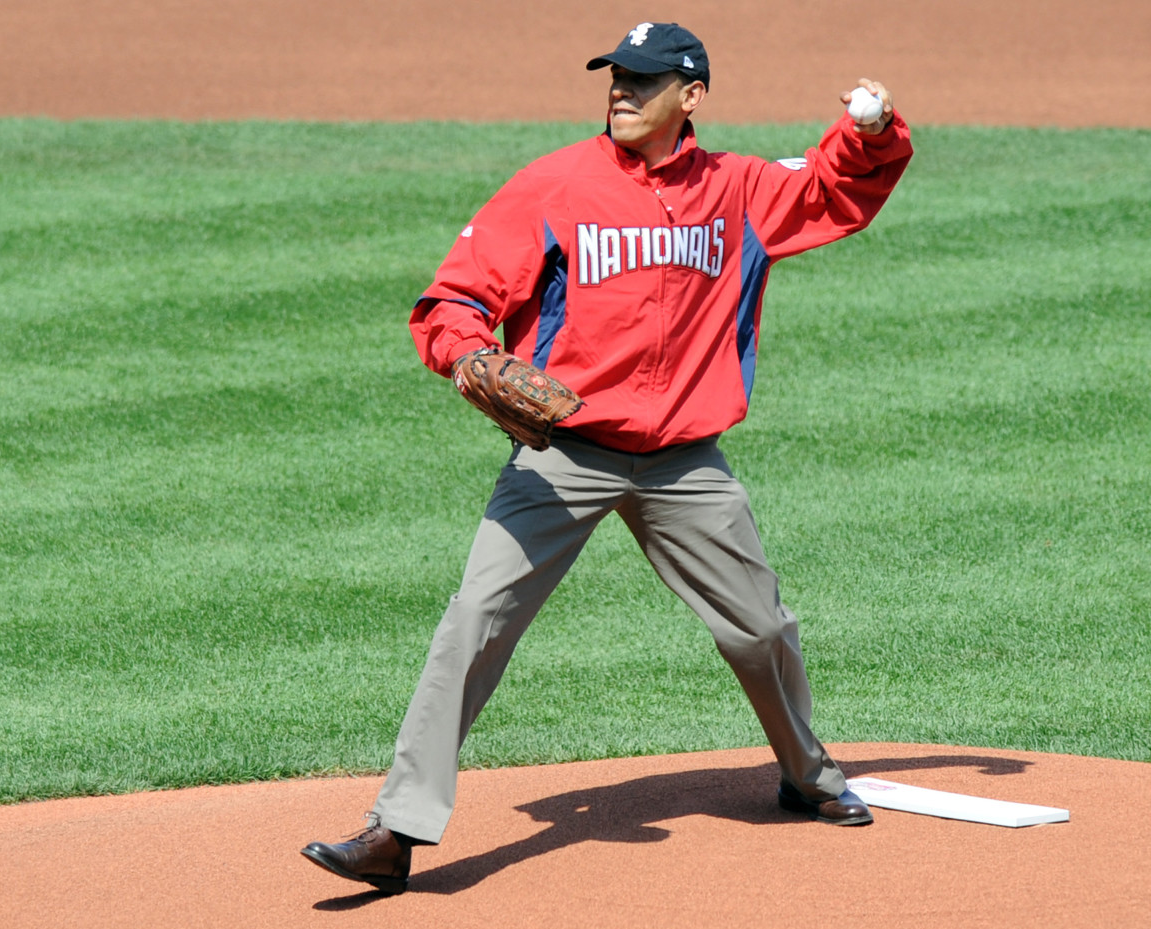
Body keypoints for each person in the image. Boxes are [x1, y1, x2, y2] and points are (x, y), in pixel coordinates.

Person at [302, 21, 912, 894]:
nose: (622, 91)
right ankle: (396, 829)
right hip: (566, 453)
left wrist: (872, 133)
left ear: (689, 96)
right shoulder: (557, 182)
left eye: (644, 79)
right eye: (616, 77)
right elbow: (453, 297)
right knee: (475, 620)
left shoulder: (736, 189)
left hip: (684, 462)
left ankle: (806, 774)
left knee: (760, 628)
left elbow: (834, 189)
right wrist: (468, 351)